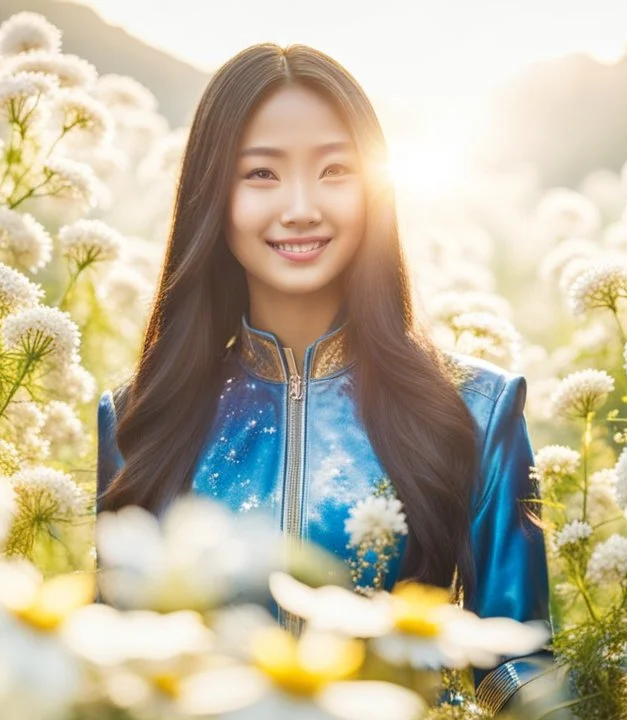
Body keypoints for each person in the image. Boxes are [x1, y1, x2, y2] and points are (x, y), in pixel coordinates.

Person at [95, 42, 554, 715]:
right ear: (211, 195)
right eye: (261, 174)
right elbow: (112, 659)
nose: (301, 207)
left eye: (335, 169)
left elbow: (514, 659)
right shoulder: (140, 415)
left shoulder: (478, 410)